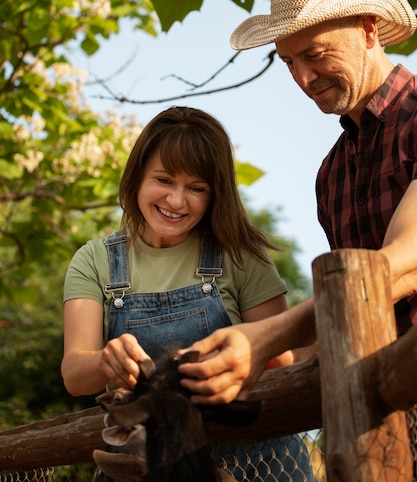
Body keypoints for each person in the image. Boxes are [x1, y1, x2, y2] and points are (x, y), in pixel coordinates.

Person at [176, 0, 417, 470]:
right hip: (373, 430)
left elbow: (402, 264)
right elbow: (345, 313)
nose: (303, 80)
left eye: (317, 54)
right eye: (289, 62)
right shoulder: (330, 174)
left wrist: (264, 335)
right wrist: (224, 375)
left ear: (369, 27)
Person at [61, 106, 313, 481]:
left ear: (215, 195)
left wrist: (236, 357)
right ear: (137, 178)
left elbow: (284, 363)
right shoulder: (94, 260)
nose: (177, 201)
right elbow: (74, 375)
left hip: (261, 464)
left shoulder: (241, 256)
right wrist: (103, 362)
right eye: (163, 180)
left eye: (196, 188)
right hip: (149, 464)